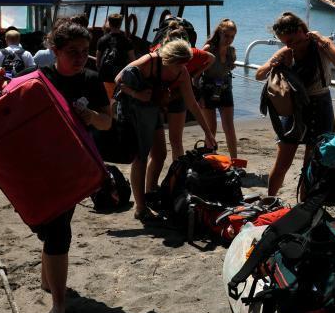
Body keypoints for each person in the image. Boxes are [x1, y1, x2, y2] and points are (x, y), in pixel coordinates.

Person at [0, 22, 112, 313]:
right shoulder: (38, 79)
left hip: (73, 167)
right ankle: (48, 282)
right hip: (39, 165)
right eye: (73, 52)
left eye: (85, 52)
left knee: (58, 230)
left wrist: (93, 117)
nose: (81, 57)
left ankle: (58, 304)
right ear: (54, 51)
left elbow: (108, 122)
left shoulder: (93, 79)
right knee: (49, 228)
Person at [116, 39, 217, 221]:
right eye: (178, 64)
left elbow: (192, 104)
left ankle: (150, 194)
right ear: (168, 59)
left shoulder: (182, 72)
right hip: (134, 109)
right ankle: (140, 208)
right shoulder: (150, 61)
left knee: (161, 153)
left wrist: (208, 133)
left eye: (184, 64)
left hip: (152, 109)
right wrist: (136, 94)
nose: (182, 68)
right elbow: (118, 80)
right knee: (140, 156)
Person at [256, 13, 335, 196]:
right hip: (294, 108)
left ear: (300, 31)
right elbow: (259, 74)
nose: (289, 45)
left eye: (291, 40)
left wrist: (323, 39)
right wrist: (276, 60)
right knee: (282, 162)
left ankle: (304, 206)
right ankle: (270, 201)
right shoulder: (286, 51)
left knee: (311, 164)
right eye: (284, 42)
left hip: (320, 105)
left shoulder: (321, 45)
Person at [199, 19, 240, 159]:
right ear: (219, 34)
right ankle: (209, 157)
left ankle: (234, 159)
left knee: (229, 127)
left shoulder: (231, 52)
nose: (229, 40)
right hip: (208, 90)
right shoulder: (208, 49)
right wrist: (199, 96)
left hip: (225, 89)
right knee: (211, 128)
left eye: (232, 37)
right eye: (226, 36)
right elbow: (195, 75)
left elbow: (228, 69)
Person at [95, 14, 136, 101]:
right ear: (120, 24)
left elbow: (97, 60)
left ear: (109, 24)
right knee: (114, 99)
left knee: (104, 98)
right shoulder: (127, 41)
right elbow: (133, 61)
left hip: (105, 74)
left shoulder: (102, 40)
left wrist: (100, 70)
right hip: (119, 76)